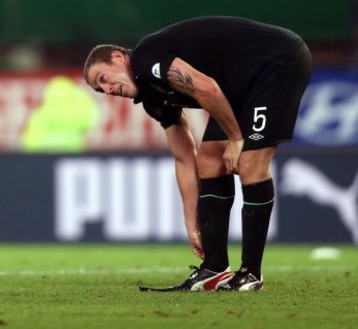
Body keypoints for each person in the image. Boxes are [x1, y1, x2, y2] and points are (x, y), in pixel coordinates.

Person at [83, 16, 311, 291]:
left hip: (276, 61)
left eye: (104, 78)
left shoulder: (145, 57)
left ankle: (251, 273)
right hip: (238, 86)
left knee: (250, 161)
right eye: (100, 89)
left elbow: (206, 88)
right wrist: (192, 220)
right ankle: (214, 268)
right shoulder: (153, 99)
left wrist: (236, 139)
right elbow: (184, 157)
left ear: (118, 58)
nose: (108, 90)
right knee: (209, 159)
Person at [21, 75, 99, 152]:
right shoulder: (80, 105)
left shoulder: (41, 113)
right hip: (72, 150)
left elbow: (29, 140)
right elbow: (92, 118)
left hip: (41, 154)